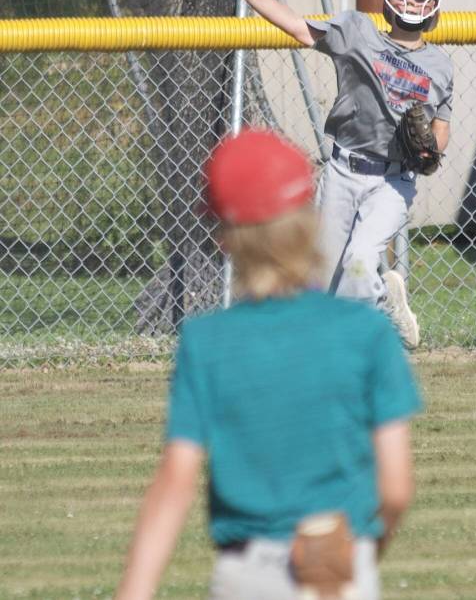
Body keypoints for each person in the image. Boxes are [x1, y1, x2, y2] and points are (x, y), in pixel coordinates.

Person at [115, 128, 422, 600]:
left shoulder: (206, 341)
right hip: (340, 565)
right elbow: (396, 487)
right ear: (308, 219)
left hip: (247, 573)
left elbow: (176, 480)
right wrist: (359, 554)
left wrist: (134, 590)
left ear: (222, 237)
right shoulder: (367, 333)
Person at [217, 0, 455, 349]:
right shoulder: (357, 32)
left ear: (434, 5)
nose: (412, 3)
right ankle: (383, 302)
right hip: (344, 170)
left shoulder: (439, 65)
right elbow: (297, 27)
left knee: (360, 261)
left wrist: (431, 150)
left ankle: (365, 331)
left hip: (393, 181)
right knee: (325, 278)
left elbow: (440, 129)